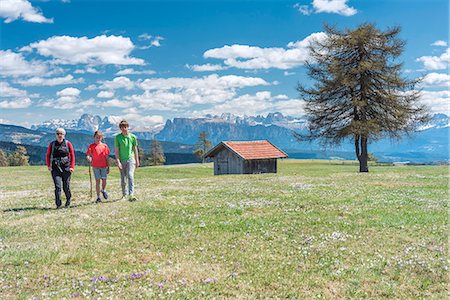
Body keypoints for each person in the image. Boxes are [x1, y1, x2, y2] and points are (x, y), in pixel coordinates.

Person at [46, 128, 75, 208]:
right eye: (58, 133)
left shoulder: (68, 144)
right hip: (55, 168)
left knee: (66, 186)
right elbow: (48, 155)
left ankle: (68, 199)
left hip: (66, 167)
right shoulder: (52, 144)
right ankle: (58, 204)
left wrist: (72, 167)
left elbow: (72, 155)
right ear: (56, 135)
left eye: (61, 134)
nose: (59, 135)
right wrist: (49, 165)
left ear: (64, 135)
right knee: (57, 186)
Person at [114, 120, 139, 201]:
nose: (124, 129)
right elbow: (116, 150)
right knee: (123, 179)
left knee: (130, 175)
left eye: (125, 127)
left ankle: (131, 194)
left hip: (131, 159)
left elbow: (135, 149)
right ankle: (124, 195)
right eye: (122, 127)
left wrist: (137, 160)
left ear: (128, 127)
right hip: (122, 160)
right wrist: (118, 161)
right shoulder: (118, 137)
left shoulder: (133, 137)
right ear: (120, 128)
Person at [86, 130, 110, 203]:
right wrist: (89, 158)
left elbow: (107, 157)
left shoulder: (104, 146)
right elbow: (88, 154)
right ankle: (98, 197)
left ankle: (103, 190)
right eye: (97, 137)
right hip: (95, 166)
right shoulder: (91, 146)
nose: (98, 139)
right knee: (97, 181)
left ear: (102, 138)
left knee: (104, 180)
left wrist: (108, 166)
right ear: (94, 137)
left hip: (103, 165)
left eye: (99, 137)